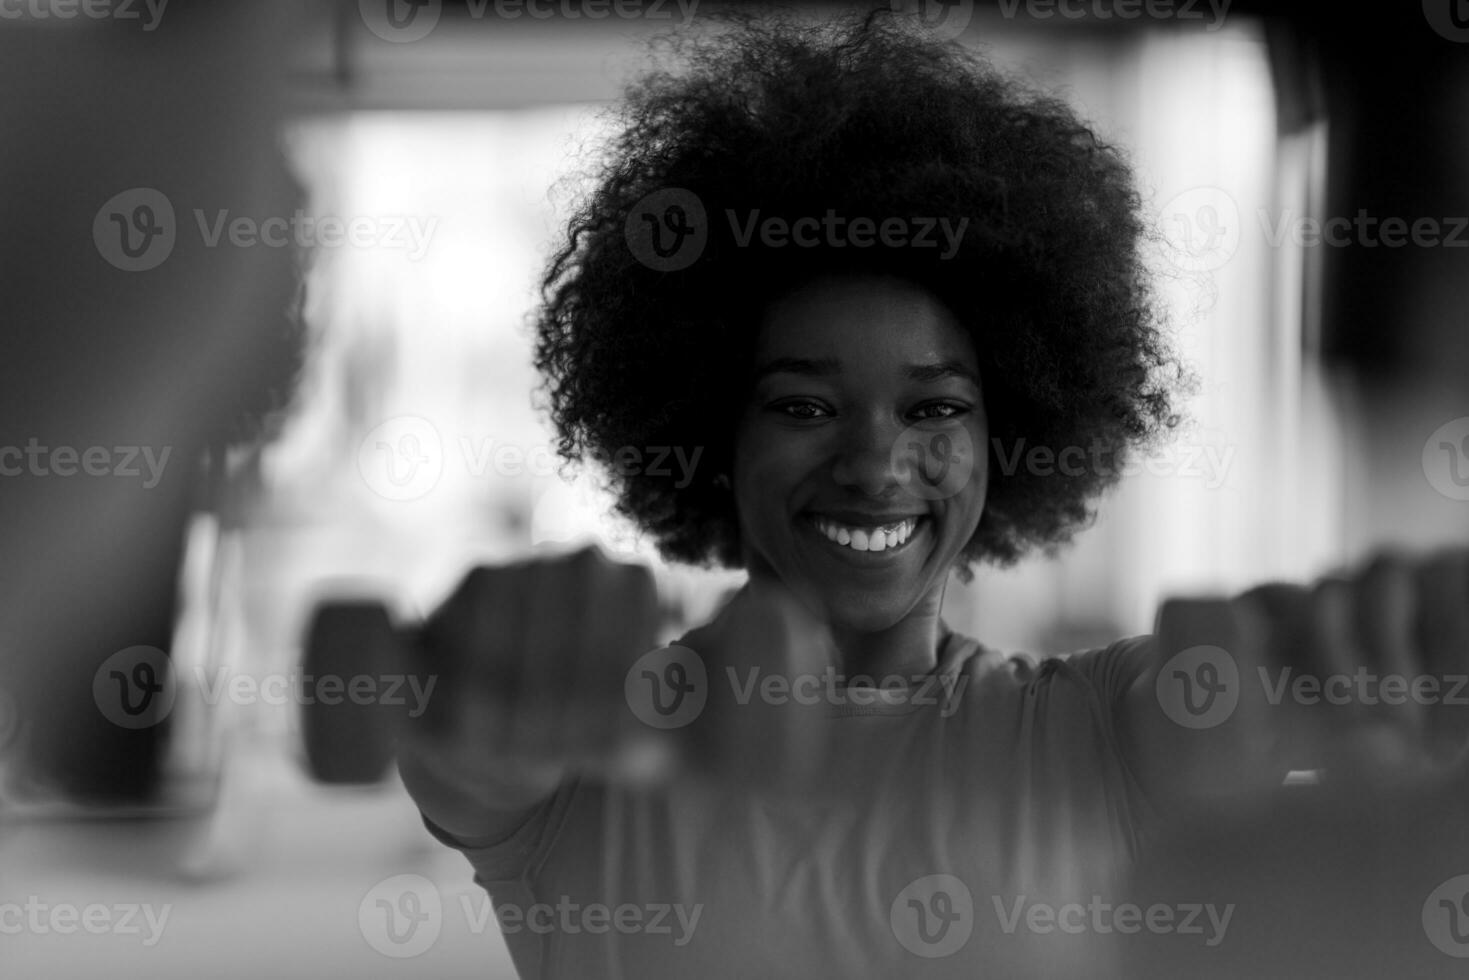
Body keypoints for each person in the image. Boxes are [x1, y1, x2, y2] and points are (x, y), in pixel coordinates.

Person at [395, 9, 1469, 978]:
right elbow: (459, 746)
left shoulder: (1108, 733)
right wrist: (498, 661)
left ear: (1006, 437)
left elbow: (1283, 696)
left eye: (932, 410)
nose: (873, 463)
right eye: (804, 406)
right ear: (712, 436)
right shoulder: (583, 747)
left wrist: (1390, 661)